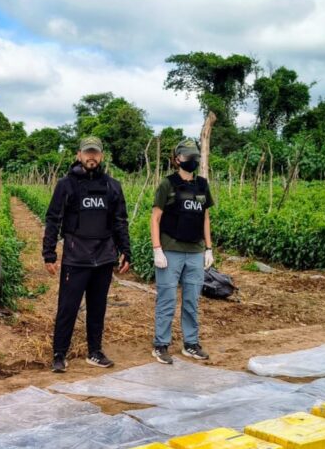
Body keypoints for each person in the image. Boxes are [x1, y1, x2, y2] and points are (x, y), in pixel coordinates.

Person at [43, 136, 132, 373]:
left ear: (101, 156)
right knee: (67, 307)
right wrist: (49, 253)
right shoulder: (66, 185)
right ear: (79, 155)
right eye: (87, 152)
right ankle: (59, 354)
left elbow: (120, 220)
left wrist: (126, 250)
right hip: (76, 256)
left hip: (104, 257)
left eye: (95, 153)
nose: (91, 156)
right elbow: (53, 218)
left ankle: (95, 351)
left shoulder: (112, 186)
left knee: (97, 307)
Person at [150, 138, 214, 364]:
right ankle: (160, 344)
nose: (192, 160)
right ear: (177, 159)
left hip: (195, 251)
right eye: (188, 156)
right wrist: (157, 249)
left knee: (191, 300)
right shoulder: (167, 185)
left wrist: (208, 248)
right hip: (171, 250)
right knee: (167, 299)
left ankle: (191, 343)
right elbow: (155, 218)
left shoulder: (202, 185)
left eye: (195, 156)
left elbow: (205, 217)